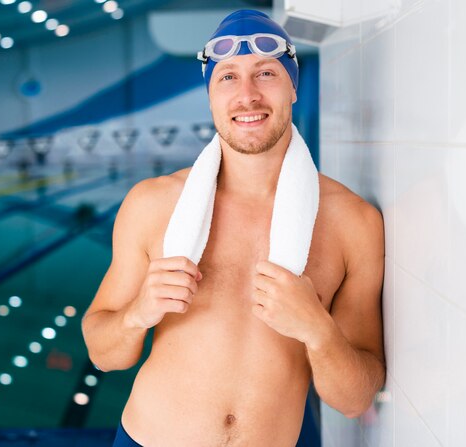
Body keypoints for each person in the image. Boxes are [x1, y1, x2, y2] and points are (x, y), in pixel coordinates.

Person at [82, 10, 385, 446]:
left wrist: (317, 330)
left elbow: (355, 399)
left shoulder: (351, 221)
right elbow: (102, 354)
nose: (247, 96)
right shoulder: (153, 204)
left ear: (292, 87)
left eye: (266, 73)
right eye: (227, 77)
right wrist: (137, 314)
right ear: (210, 95)